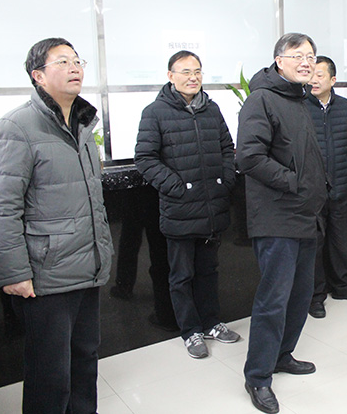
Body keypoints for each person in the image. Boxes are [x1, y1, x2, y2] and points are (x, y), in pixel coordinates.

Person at [0, 37, 114, 413]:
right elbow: (0, 209)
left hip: (86, 267)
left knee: (85, 360)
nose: (75, 68)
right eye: (63, 62)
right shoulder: (15, 127)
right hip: (46, 276)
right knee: (49, 374)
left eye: (77, 61)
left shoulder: (82, 124)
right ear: (37, 75)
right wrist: (14, 273)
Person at [237, 33, 327, 414]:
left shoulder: (299, 99)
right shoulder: (261, 99)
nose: (306, 62)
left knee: (300, 295)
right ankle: (258, 376)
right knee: (274, 299)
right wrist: (294, 181)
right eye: (298, 55)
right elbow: (249, 156)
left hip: (305, 215)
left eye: (311, 56)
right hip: (277, 217)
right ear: (279, 60)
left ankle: (281, 355)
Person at [134, 50, 240, 360]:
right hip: (180, 209)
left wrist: (225, 180)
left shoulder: (211, 109)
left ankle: (211, 323)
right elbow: (145, 159)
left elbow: (227, 148)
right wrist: (176, 187)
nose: (193, 77)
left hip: (211, 206)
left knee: (208, 270)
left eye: (197, 72)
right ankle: (190, 331)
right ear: (170, 76)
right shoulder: (155, 112)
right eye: (185, 72)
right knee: (181, 275)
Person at [305, 55, 347, 319]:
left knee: (340, 241)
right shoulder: (299, 105)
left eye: (319, 74)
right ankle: (315, 296)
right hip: (312, 190)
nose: (313, 79)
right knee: (315, 245)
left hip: (341, 185)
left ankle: (343, 286)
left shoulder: (344, 106)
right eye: (310, 74)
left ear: (332, 80)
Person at [109, 184, 178, 332]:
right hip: (158, 191)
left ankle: (124, 285)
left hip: (136, 189)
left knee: (130, 236)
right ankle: (167, 310)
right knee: (160, 248)